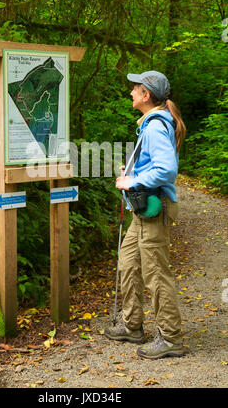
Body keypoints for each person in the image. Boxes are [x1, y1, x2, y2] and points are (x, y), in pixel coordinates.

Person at [105, 70, 187, 359]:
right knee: (129, 262)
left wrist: (134, 182)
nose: (131, 93)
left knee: (155, 272)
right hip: (142, 211)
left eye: (135, 88)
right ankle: (132, 325)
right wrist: (133, 173)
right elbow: (155, 165)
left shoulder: (154, 127)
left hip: (155, 208)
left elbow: (166, 169)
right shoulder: (151, 124)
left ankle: (170, 338)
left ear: (146, 95)